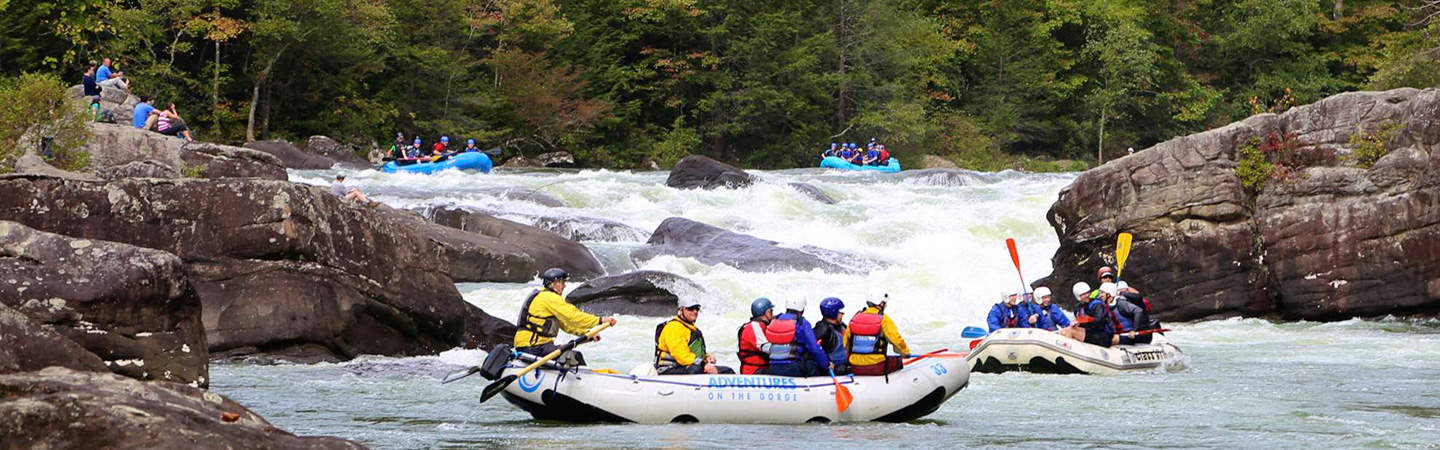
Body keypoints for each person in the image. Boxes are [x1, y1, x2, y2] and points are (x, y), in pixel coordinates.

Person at [514, 268, 618, 366]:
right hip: (532, 347)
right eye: (562, 282)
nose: (564, 286)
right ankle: (581, 382)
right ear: (553, 283)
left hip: (533, 346)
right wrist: (600, 320)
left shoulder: (545, 296)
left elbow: (566, 325)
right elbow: (573, 316)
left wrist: (587, 334)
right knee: (575, 356)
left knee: (571, 355)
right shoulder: (549, 297)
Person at [655, 297, 733, 375]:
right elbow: (681, 356)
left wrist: (706, 358)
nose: (695, 311)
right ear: (681, 310)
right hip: (668, 369)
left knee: (727, 371)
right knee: (697, 369)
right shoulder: (673, 327)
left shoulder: (690, 328)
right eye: (691, 308)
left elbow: (691, 352)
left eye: (697, 308)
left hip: (686, 366)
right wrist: (703, 365)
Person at [844, 294, 910, 376]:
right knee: (897, 361)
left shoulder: (855, 317)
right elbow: (897, 340)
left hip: (855, 367)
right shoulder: (884, 319)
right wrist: (905, 353)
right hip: (877, 367)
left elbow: (845, 343)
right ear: (881, 304)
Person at [765, 298, 831, 377]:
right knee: (815, 364)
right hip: (793, 368)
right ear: (802, 309)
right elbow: (815, 349)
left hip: (773, 367)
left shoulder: (774, 320)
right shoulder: (801, 323)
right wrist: (826, 365)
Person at [1058, 282, 1116, 347]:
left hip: (1102, 336)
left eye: (1088, 292)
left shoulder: (1097, 304)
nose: (1087, 295)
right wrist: (1077, 323)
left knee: (1070, 331)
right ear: (1078, 296)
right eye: (1083, 294)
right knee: (1064, 331)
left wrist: (1080, 322)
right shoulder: (1078, 308)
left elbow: (1098, 320)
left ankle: (1069, 350)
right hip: (1091, 333)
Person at [736, 297, 774, 375]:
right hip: (754, 371)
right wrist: (790, 350)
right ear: (766, 313)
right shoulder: (754, 326)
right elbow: (766, 348)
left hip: (759, 369)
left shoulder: (760, 325)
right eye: (771, 311)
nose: (773, 314)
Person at [813, 297, 850, 375]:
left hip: (847, 365)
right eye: (840, 312)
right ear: (833, 312)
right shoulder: (823, 329)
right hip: (835, 369)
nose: (843, 314)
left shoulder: (842, 326)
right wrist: (827, 363)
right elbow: (813, 349)